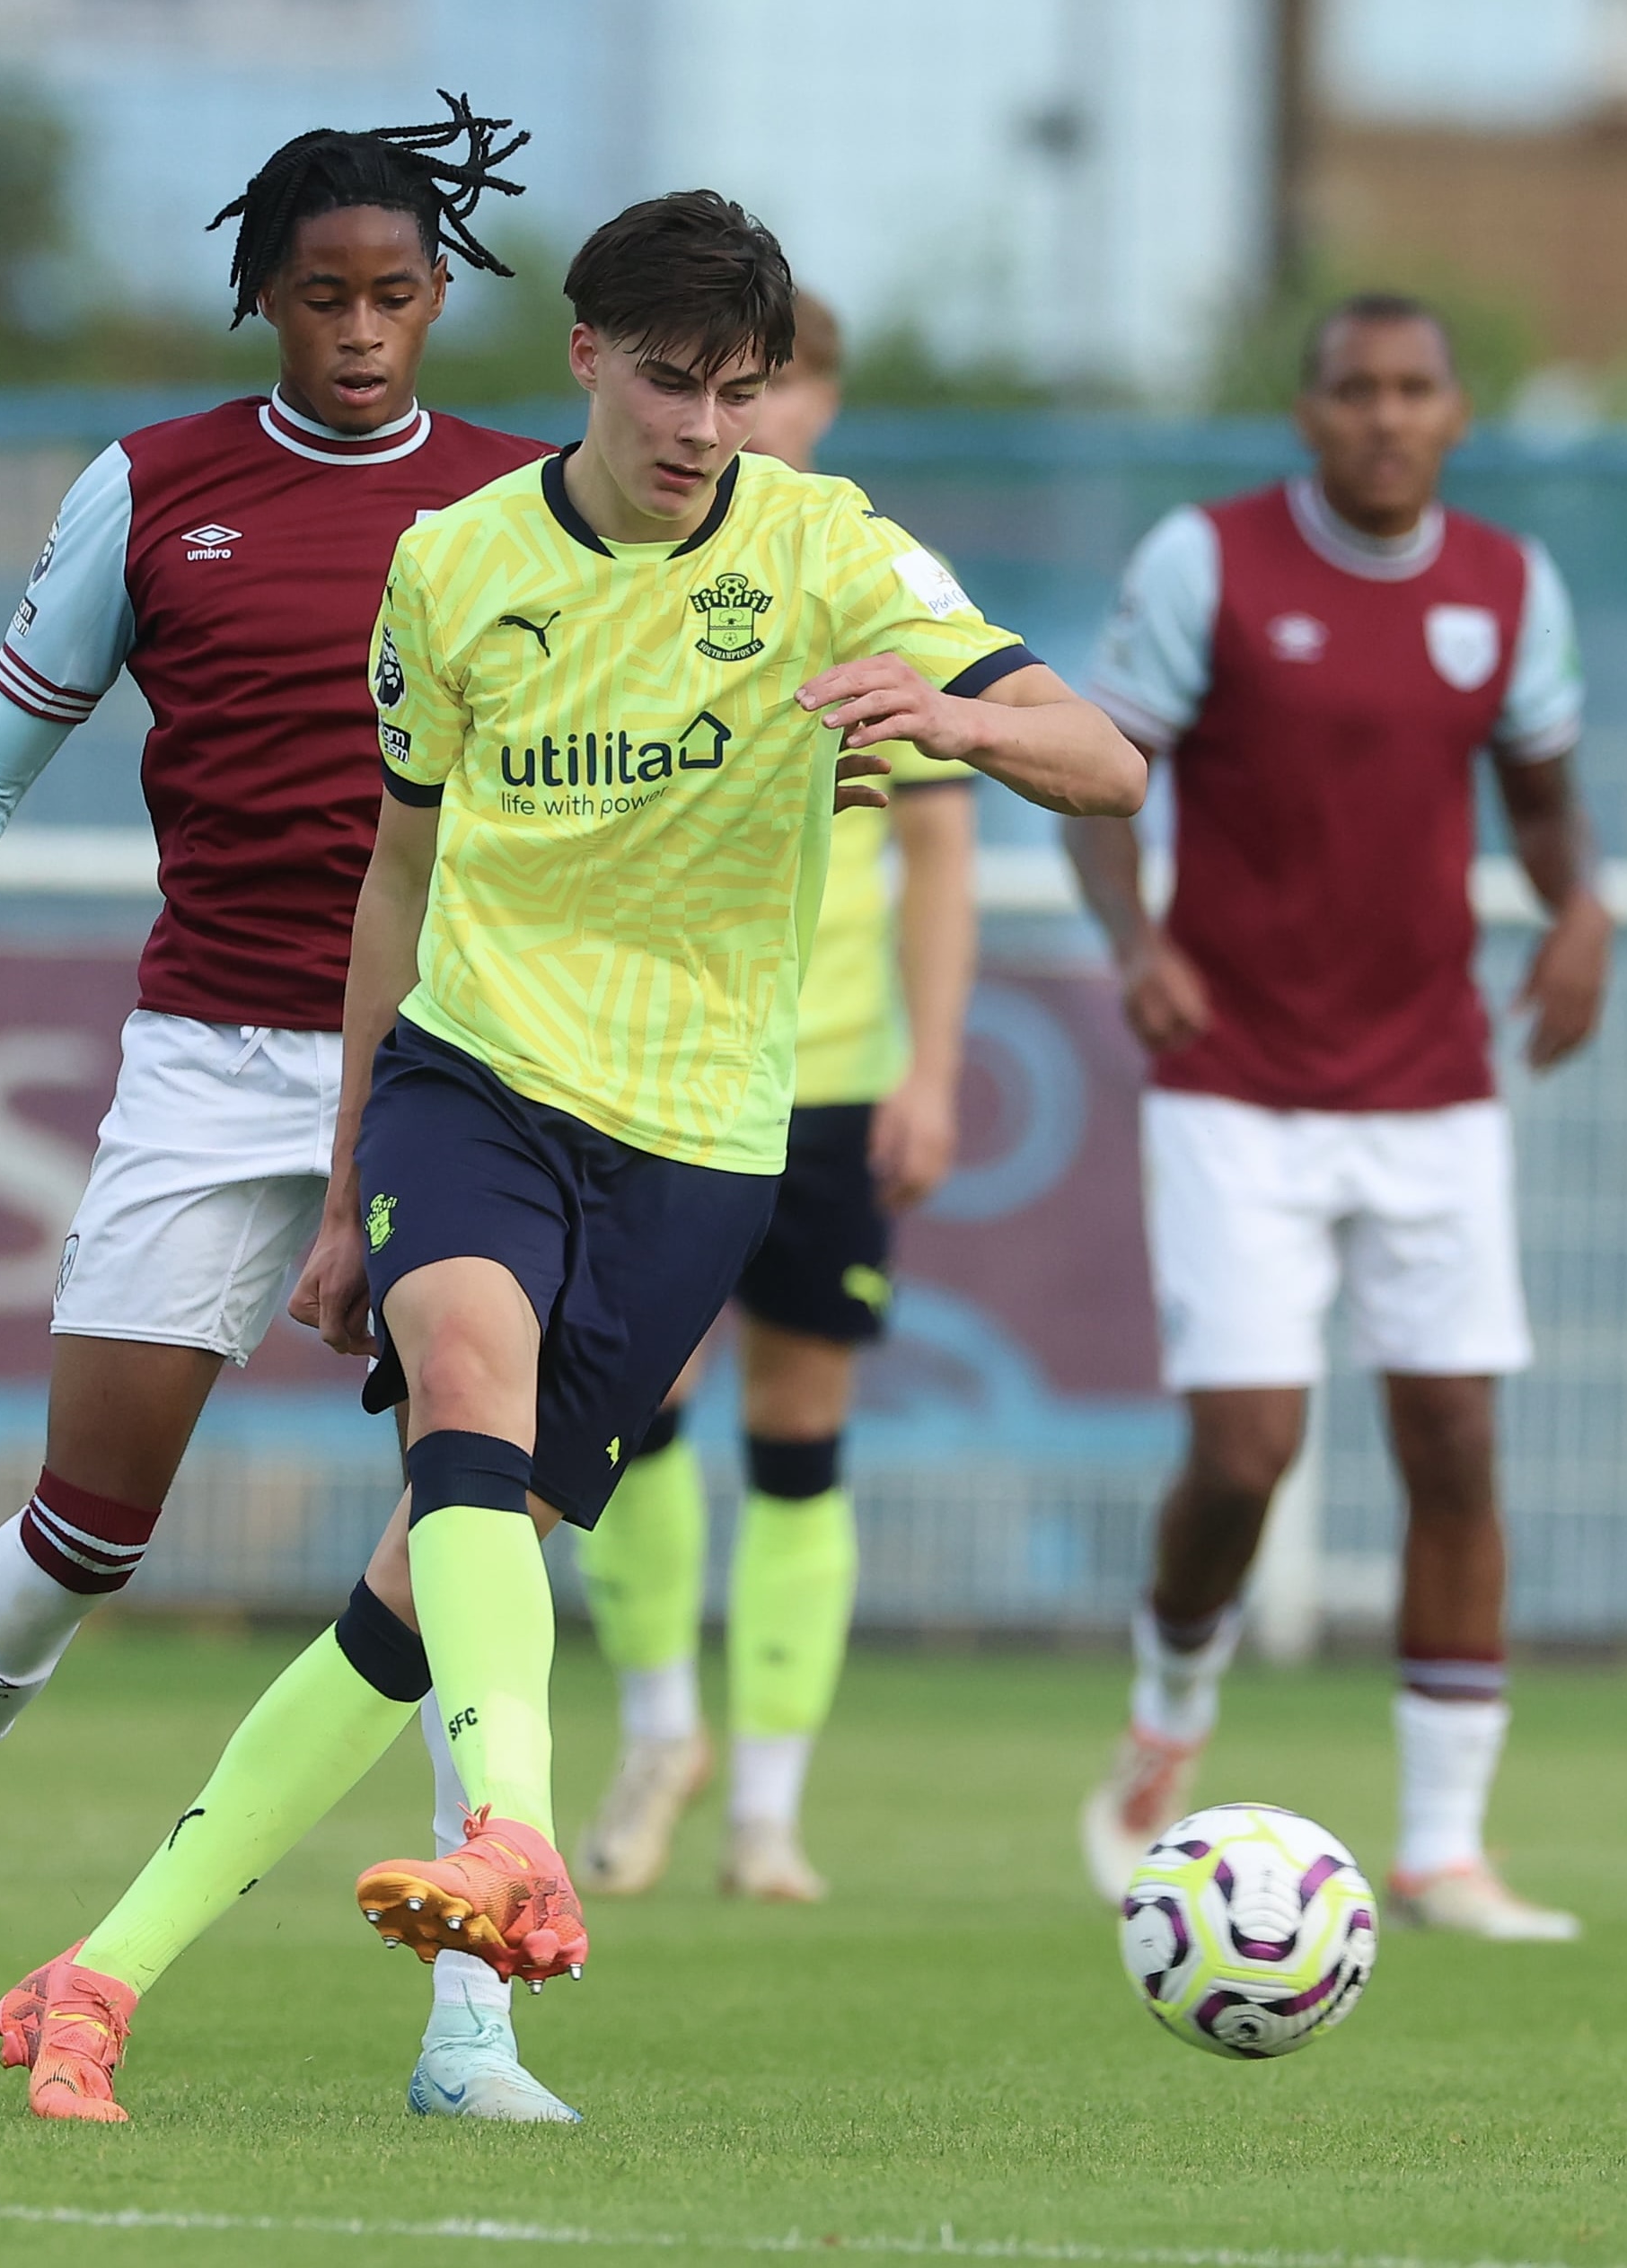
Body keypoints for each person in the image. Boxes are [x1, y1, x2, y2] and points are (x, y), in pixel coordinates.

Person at [0, 189, 1139, 2127]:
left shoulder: (829, 547)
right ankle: (514, 1829)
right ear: (585, 356)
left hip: (695, 1141)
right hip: (477, 1077)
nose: (705, 427)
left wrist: (945, 716)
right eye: (673, 382)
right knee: (465, 1386)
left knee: (412, 1602)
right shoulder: (451, 568)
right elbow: (398, 875)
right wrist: (353, 1176)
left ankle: (97, 1974)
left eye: (741, 393)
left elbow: (1107, 761)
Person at [0, 100, 570, 2105]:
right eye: (321, 296)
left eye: (396, 296)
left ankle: (469, 2011)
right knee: (91, 1519)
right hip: (212, 1054)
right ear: (260, 298)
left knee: (464, 1514)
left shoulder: (529, 508)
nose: (362, 332)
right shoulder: (153, 491)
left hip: (451, 1067)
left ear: (443, 297)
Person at [1062, 291, 1608, 1941]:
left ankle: (1443, 1846)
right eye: (1352, 390)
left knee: (1452, 1441)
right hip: (1236, 1081)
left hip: (1433, 1086)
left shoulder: (1507, 587)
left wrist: (1582, 908)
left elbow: (1542, 797)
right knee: (1248, 1454)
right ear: (1304, 415)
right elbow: (1099, 774)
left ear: (1453, 413)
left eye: (1413, 390)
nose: (1383, 416)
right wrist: (1136, 943)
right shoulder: (1205, 562)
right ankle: (1166, 1717)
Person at [568, 292, 982, 1903]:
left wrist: (932, 1067)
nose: (765, 410)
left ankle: (771, 1810)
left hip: (829, 1080)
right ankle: (661, 1731)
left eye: (790, 378)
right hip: (662, 1075)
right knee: (633, 1415)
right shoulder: (642, 571)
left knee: (804, 1433)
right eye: (736, 382)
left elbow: (942, 852)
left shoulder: (864, 579)